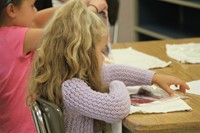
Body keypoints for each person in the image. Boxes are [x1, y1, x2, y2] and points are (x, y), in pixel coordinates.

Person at [27, 0, 189, 133]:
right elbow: (117, 107)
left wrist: (154, 77)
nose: (104, 56)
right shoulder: (72, 88)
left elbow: (112, 71)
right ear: (83, 55)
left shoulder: (65, 75)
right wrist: (116, 84)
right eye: (100, 51)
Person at [0, 0, 107, 133]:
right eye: (32, 6)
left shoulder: (6, 36)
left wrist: (80, 3)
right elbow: (64, 34)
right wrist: (91, 9)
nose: (35, 11)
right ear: (11, 10)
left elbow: (37, 19)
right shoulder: (14, 37)